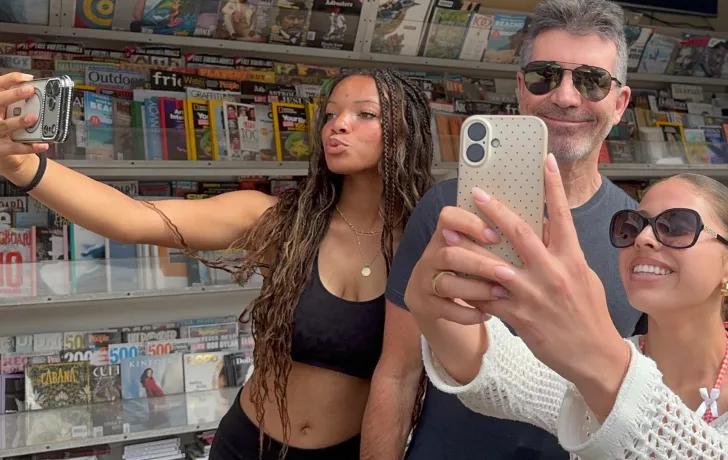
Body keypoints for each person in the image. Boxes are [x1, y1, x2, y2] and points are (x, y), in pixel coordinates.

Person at [0, 68, 434, 460]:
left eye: (365, 114)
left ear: (405, 133)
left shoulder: (426, 245)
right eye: (331, 114)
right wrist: (21, 166)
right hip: (245, 444)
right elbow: (132, 218)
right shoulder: (280, 222)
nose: (337, 124)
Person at [360, 0, 645, 460]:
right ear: (520, 88)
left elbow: (649, 398)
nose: (565, 96)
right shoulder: (446, 208)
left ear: (620, 103)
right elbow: (398, 372)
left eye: (592, 81)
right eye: (544, 76)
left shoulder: (640, 237)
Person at [407, 164, 728, 459]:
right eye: (632, 225)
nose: (644, 238)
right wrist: (435, 309)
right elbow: (505, 377)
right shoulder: (609, 363)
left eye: (676, 226)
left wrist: (593, 351)